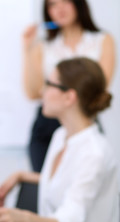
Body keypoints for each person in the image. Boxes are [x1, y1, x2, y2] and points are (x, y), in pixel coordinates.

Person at [0, 58, 119, 222]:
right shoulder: (61, 135)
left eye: (49, 84)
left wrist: (24, 218)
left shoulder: (94, 153)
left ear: (69, 97)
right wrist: (22, 175)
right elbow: (66, 183)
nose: (42, 92)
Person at [23, 0, 116, 172]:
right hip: (46, 127)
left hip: (83, 120)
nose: (59, 10)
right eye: (52, 5)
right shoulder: (42, 46)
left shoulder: (102, 40)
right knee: (46, 186)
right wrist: (28, 48)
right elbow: (33, 93)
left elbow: (99, 87)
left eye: (65, 2)